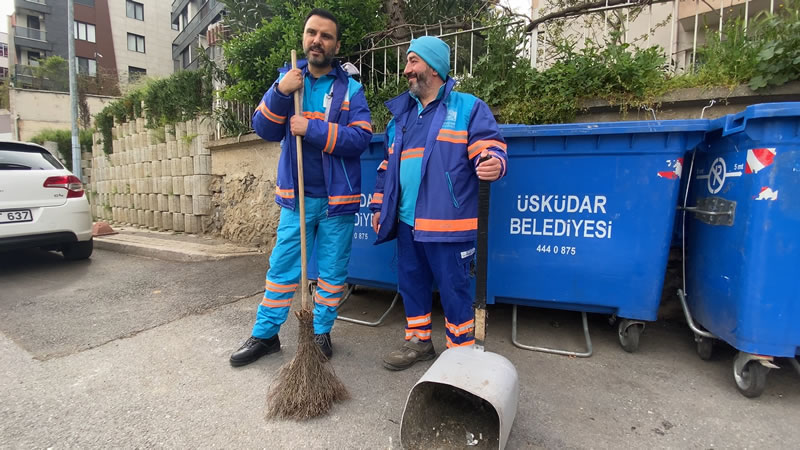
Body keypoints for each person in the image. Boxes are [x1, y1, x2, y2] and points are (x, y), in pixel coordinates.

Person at [230, 8, 373, 366]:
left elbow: (360, 139)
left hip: (338, 199)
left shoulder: (351, 90)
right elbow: (263, 127)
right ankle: (266, 336)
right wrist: (281, 91)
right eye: (312, 33)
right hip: (298, 198)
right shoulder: (288, 81)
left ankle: (320, 332)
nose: (317, 40)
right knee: (282, 268)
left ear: (336, 45)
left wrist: (312, 130)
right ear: (303, 38)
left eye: (325, 36)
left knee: (333, 270)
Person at [369, 36, 507, 371]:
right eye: (407, 62)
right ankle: (418, 341)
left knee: (454, 290)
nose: (406, 70)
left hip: (448, 223)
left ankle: (460, 354)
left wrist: (494, 162)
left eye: (413, 61)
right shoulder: (400, 117)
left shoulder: (468, 107)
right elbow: (386, 167)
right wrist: (378, 207)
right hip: (406, 223)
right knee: (411, 284)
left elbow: (490, 148)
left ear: (434, 67)